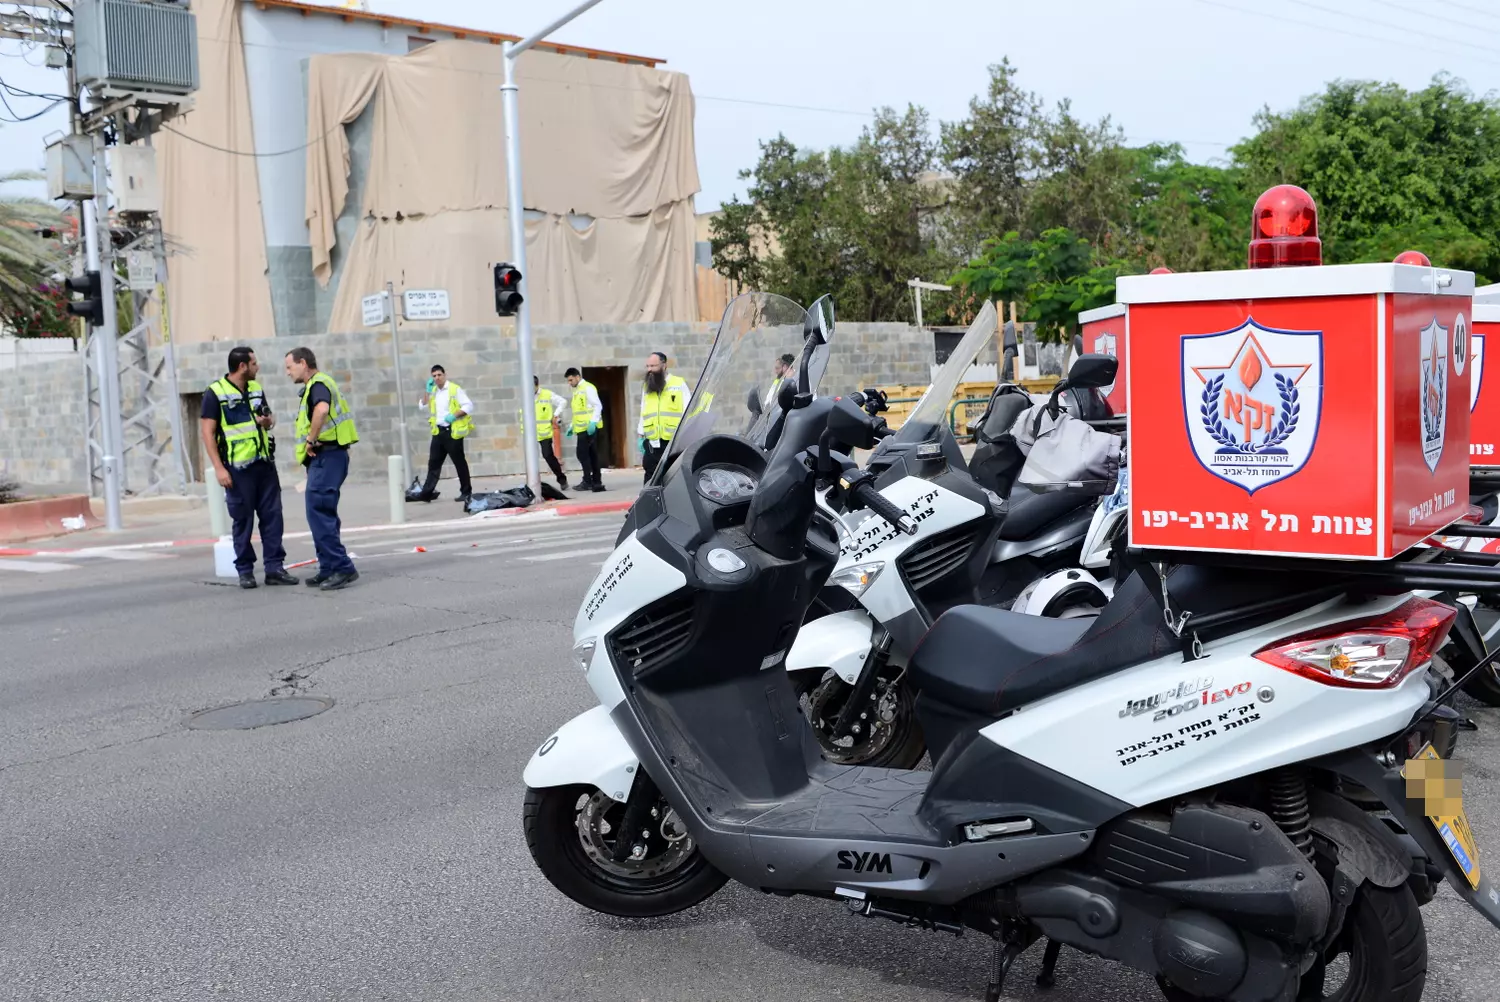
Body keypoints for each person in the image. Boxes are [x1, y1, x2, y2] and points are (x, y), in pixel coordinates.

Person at [200, 346, 297, 589]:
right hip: (237, 470)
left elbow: (269, 418)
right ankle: (245, 570)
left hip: (264, 465)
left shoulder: (255, 388)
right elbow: (207, 433)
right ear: (242, 366)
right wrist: (219, 469)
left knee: (273, 518)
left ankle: (275, 568)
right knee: (242, 521)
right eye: (254, 363)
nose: (258, 366)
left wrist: (268, 422)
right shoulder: (215, 392)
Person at [285, 347, 360, 591]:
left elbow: (322, 410)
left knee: (319, 512)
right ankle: (328, 567)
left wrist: (310, 440)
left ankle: (342, 567)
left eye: (290, 367)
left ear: (303, 363)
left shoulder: (318, 384)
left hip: (328, 456)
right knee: (321, 513)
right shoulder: (316, 385)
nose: (288, 372)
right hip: (326, 457)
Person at [416, 364, 474, 504]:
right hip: (438, 432)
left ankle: (466, 492)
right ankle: (426, 493)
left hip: (451, 431)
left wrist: (454, 415)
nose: (437, 378)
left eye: (439, 375)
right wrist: (427, 391)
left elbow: (468, 405)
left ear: (444, 375)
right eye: (434, 376)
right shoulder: (434, 391)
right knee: (433, 463)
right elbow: (422, 406)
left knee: (459, 463)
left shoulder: (454, 389)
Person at [637, 351, 689, 481]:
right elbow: (643, 410)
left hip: (673, 443)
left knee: (672, 478)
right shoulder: (647, 386)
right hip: (652, 443)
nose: (649, 370)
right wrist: (640, 435)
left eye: (653, 366)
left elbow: (688, 411)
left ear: (664, 365)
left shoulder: (678, 384)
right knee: (650, 477)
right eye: (647, 366)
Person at [519, 374, 569, 491]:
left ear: (537, 385)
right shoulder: (526, 396)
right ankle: (533, 483)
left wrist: (555, 415)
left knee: (548, 456)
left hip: (544, 432)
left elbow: (562, 402)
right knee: (530, 458)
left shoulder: (546, 394)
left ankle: (561, 478)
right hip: (530, 433)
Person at [565, 367, 606, 493]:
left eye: (571, 380)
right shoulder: (577, 391)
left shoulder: (588, 387)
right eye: (568, 381)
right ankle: (596, 481)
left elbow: (597, 405)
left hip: (589, 427)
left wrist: (593, 421)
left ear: (577, 376)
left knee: (582, 454)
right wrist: (572, 425)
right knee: (591, 455)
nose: (569, 383)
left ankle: (588, 481)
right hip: (581, 428)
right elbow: (578, 411)